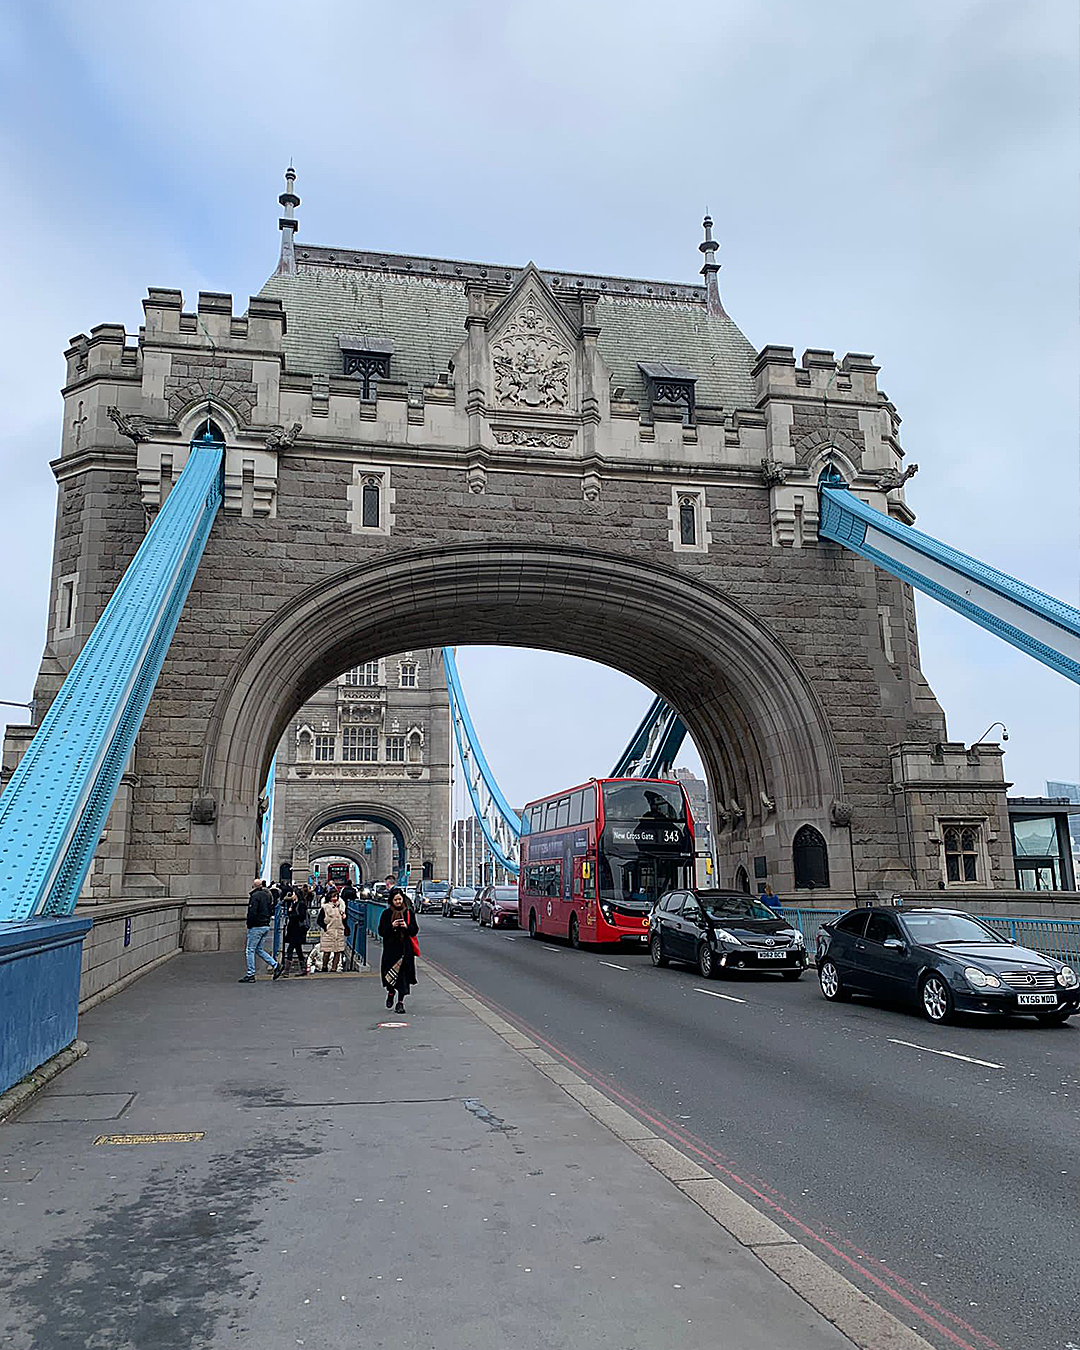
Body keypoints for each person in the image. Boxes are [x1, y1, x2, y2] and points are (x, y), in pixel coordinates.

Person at [378, 887, 418, 1014]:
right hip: (391, 950)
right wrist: (392, 926)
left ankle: (400, 1003)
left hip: (405, 950)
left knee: (403, 978)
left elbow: (414, 930)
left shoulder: (408, 913)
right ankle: (390, 992)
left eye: (400, 899)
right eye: (395, 900)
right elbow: (381, 931)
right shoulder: (386, 914)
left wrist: (406, 926)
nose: (398, 902)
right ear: (391, 900)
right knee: (389, 976)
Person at [240, 878, 283, 983]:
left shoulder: (254, 896)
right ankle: (275, 965)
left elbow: (252, 912)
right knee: (258, 949)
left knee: (250, 950)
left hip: (256, 926)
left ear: (253, 886)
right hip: (265, 925)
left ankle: (251, 974)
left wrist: (249, 924)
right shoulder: (267, 895)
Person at [317, 886, 347, 972]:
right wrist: (325, 927)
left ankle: (334, 968)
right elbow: (319, 920)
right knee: (327, 952)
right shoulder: (325, 907)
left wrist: (344, 919)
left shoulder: (341, 908)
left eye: (337, 896)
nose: (335, 898)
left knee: (338, 952)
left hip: (339, 931)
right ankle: (324, 966)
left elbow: (344, 920)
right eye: (333, 896)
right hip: (328, 932)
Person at [282, 887, 309, 976]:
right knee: (298, 949)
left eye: (293, 894)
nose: (291, 896)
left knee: (290, 949)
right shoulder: (294, 904)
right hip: (293, 929)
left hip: (297, 930)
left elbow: (301, 916)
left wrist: (292, 913)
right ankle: (303, 968)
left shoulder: (301, 904)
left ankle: (286, 971)